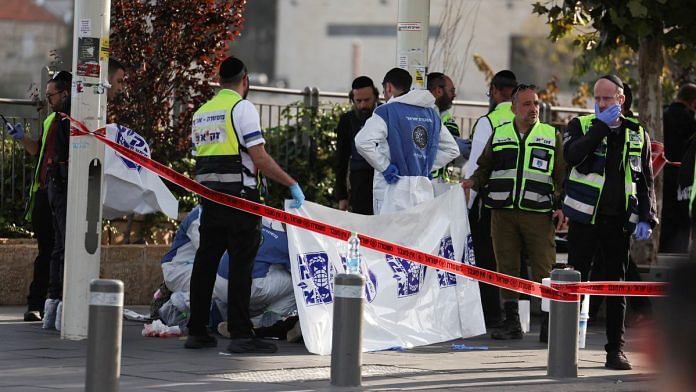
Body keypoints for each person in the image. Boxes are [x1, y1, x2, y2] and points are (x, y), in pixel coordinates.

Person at [186, 56, 304, 354]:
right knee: (241, 265)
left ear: (219, 80)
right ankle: (240, 334)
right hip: (240, 200)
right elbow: (259, 157)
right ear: (245, 80)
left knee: (205, 263)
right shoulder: (242, 108)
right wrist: (290, 183)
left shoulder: (201, 113)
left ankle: (196, 331)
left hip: (210, 199)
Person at [562, 75, 657, 370]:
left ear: (621, 100)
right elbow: (572, 156)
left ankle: (615, 350)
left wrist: (647, 216)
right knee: (576, 283)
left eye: (608, 98)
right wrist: (601, 126)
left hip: (618, 222)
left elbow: (645, 181)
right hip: (584, 220)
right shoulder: (580, 126)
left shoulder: (636, 132)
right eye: (598, 98)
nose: (602, 104)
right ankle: (564, 349)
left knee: (616, 287)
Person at [461, 85, 565, 341]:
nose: (534, 109)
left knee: (544, 267)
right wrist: (472, 182)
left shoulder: (551, 135)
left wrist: (561, 206)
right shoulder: (499, 134)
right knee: (506, 267)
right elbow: (484, 167)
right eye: (527, 104)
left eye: (536, 103)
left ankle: (549, 324)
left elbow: (562, 175)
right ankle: (511, 322)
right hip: (503, 212)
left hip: (538, 213)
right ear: (514, 108)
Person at [354, 67, 459, 214]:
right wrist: (424, 166)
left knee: (388, 235)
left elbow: (362, 142)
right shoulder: (431, 114)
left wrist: (385, 167)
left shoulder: (387, 111)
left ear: (388, 87)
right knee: (418, 235)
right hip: (422, 191)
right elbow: (452, 150)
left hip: (392, 190)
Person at [463, 70, 517, 329]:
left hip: (493, 203)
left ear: (495, 90)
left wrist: (467, 205)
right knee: (512, 260)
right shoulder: (529, 118)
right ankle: (518, 317)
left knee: (488, 259)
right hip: (525, 203)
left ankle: (493, 316)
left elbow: (476, 166)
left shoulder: (489, 121)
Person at [334, 76, 379, 214]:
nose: (363, 105)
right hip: (360, 179)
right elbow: (341, 158)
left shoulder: (385, 114)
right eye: (358, 101)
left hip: (384, 177)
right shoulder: (347, 120)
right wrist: (342, 196)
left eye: (367, 100)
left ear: (376, 97)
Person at [660, 83, 696, 252]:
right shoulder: (690, 119)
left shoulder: (663, 115)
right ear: (693, 102)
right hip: (684, 178)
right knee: (682, 221)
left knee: (665, 217)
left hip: (663, 173)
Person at [427, 72, 470, 181]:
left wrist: (453, 184)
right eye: (452, 91)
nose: (454, 95)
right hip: (427, 184)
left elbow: (455, 161)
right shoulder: (422, 117)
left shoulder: (448, 121)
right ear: (438, 91)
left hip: (442, 187)